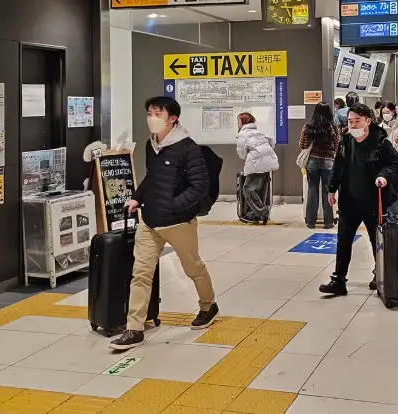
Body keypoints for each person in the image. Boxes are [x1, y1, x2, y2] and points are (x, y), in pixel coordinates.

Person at [110, 97, 217, 350]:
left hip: (179, 223)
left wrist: (174, 206)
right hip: (149, 221)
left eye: (158, 113)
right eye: (149, 113)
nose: (152, 118)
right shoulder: (152, 146)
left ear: (173, 118)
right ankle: (134, 329)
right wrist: (137, 198)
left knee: (193, 268)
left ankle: (208, 305)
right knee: (141, 274)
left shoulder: (188, 148)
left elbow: (200, 186)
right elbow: (152, 177)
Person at [319, 103, 398, 295]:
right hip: (350, 199)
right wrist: (332, 189)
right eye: (350, 121)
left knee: (376, 240)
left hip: (373, 200)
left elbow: (393, 163)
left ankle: (380, 275)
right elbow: (337, 167)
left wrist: (383, 176)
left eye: (357, 121)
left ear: (368, 121)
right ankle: (339, 280)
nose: (353, 125)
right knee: (343, 240)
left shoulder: (380, 142)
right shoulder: (346, 141)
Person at [299, 103, 341, 229]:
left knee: (312, 189)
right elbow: (336, 146)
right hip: (328, 162)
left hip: (312, 161)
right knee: (328, 191)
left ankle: (310, 222)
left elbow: (303, 144)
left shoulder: (308, 127)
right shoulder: (333, 128)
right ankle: (328, 222)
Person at [235, 112, 279, 223]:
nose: (237, 124)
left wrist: (250, 156)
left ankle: (263, 212)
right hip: (268, 162)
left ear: (242, 122)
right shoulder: (258, 132)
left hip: (256, 163)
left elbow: (241, 153)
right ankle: (254, 215)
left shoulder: (243, 134)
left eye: (238, 121)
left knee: (247, 188)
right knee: (260, 190)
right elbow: (271, 141)